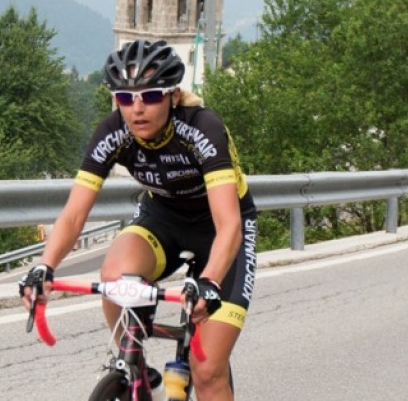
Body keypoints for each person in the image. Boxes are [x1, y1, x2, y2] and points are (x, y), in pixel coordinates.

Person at [20, 39, 257, 401]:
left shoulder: (202, 128)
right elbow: (75, 213)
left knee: (208, 370)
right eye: (125, 98)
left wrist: (209, 281)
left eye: (151, 96)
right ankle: (138, 371)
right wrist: (44, 266)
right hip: (163, 218)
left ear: (173, 96)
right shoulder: (112, 132)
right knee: (114, 276)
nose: (137, 109)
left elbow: (229, 225)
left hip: (221, 231)